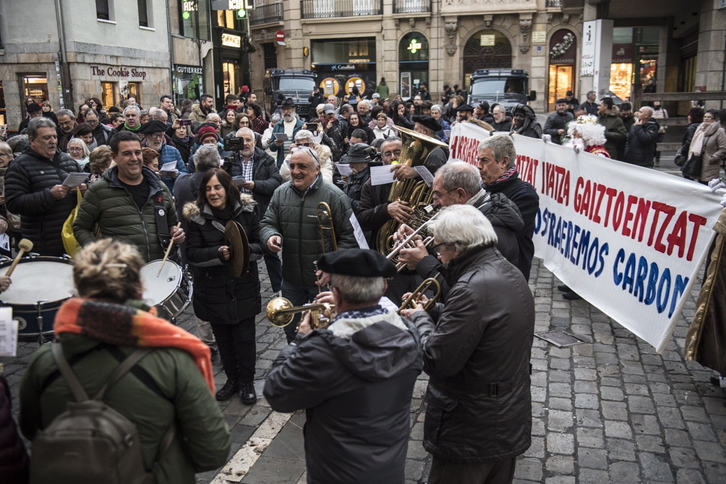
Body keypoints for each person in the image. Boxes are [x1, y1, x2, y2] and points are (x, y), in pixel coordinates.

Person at [19, 238, 231, 484]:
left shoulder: (44, 362)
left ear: (77, 290)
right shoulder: (172, 359)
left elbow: (31, 430)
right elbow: (212, 451)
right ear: (140, 287)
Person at [264, 248, 423, 484]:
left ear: (335, 293)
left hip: (335, 474)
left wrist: (301, 340)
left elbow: (277, 393)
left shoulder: (322, 350)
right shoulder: (410, 334)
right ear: (383, 289)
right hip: (389, 471)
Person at [401, 205, 534, 484]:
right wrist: (437, 311)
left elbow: (437, 360)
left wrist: (420, 320)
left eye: (439, 248)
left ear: (457, 247)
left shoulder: (470, 287)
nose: (438, 255)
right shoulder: (509, 271)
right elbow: (481, 327)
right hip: (504, 417)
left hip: (470, 429)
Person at [259, 146, 358, 342]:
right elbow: (267, 223)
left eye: (302, 166)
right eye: (292, 166)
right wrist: (270, 236)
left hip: (324, 283)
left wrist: (333, 266)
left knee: (324, 335)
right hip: (291, 280)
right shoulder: (280, 193)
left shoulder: (335, 196)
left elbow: (351, 236)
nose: (295, 171)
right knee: (293, 333)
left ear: (317, 169)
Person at [184, 169, 262, 404]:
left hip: (243, 285)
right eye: (208, 188)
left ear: (228, 189)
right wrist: (217, 254)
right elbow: (192, 254)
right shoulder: (197, 218)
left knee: (245, 338)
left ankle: (247, 382)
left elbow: (260, 246)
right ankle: (232, 380)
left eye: (217, 187)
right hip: (213, 288)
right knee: (224, 339)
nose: (213, 193)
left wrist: (242, 253)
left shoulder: (248, 212)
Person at [397, 160, 524, 279]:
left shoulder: (486, 230)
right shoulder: (472, 218)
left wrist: (423, 262)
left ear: (460, 195)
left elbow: (458, 286)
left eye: (439, 195)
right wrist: (422, 247)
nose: (436, 203)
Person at [74, 131, 185, 262]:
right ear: (114, 157)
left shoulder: (159, 188)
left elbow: (172, 223)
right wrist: (99, 253)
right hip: (120, 272)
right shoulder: (99, 190)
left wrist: (176, 233)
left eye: (137, 152)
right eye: (127, 153)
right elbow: (80, 228)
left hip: (158, 271)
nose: (134, 158)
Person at [5, 117, 85, 256]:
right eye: (46, 137)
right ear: (32, 140)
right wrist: (49, 195)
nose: (52, 141)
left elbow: (85, 188)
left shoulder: (69, 161)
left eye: (54, 136)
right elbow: (13, 203)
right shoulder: (20, 165)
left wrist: (85, 189)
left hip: (72, 239)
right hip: (42, 244)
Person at [477, 135, 539, 280]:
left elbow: (502, 238)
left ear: (503, 162)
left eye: (484, 160)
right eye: (478, 160)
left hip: (509, 274)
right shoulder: (484, 187)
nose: (479, 166)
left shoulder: (524, 194)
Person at [140, 120, 188, 191]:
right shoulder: (140, 153)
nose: (158, 139)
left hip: (170, 192)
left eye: (161, 135)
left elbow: (186, 174)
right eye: (154, 135)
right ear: (146, 136)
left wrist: (177, 174)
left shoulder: (173, 151)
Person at [684, 109, 726, 184]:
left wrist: (713, 158)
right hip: (698, 161)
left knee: (708, 186)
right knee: (699, 185)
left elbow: (723, 148)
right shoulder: (700, 129)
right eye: (705, 117)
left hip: (710, 164)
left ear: (715, 119)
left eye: (709, 117)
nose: (706, 119)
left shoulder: (719, 131)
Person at [269, 98, 305, 168]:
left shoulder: (301, 125)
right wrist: (276, 144)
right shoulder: (278, 125)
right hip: (282, 163)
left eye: (288, 109)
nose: (286, 112)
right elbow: (271, 147)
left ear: (294, 109)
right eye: (284, 109)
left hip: (298, 162)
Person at [651, 100, 669, 166]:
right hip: (653, 130)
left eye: (658, 101)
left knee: (659, 145)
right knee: (652, 145)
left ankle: (657, 160)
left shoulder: (664, 111)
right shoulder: (651, 110)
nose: (657, 103)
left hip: (661, 131)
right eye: (655, 101)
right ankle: (652, 159)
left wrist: (665, 127)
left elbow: (666, 119)